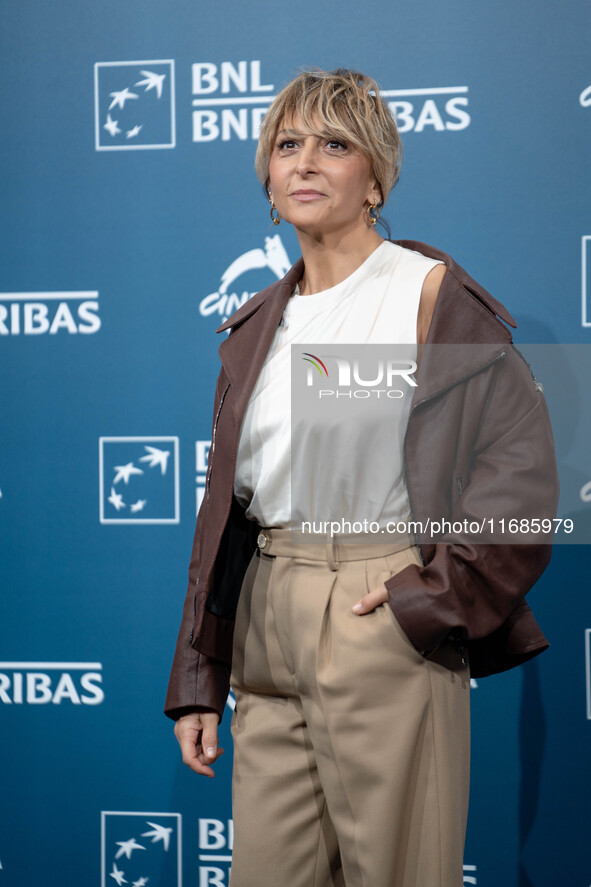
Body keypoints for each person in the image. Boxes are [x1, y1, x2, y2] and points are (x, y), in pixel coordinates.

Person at [165, 68, 558, 887]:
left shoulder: (427, 297)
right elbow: (224, 516)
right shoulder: (256, 326)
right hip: (266, 625)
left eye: (334, 145)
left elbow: (521, 480)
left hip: (383, 610)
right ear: (268, 180)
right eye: (287, 144)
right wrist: (200, 674)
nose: (304, 162)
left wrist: (429, 597)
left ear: (374, 176)